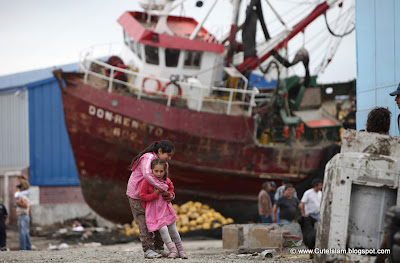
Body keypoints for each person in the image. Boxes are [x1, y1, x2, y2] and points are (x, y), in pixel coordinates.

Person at [126, 140, 175, 259]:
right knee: (143, 222)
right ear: (159, 151)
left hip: (155, 197)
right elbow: (147, 175)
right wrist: (163, 188)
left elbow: (166, 182)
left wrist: (170, 194)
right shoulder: (148, 158)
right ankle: (148, 249)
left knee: (158, 220)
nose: (169, 158)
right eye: (168, 155)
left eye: (171, 156)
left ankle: (159, 248)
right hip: (137, 195)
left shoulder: (164, 164)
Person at [140, 159, 188, 259]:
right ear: (151, 170)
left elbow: (171, 190)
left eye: (161, 171)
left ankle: (181, 251)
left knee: (174, 230)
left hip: (166, 209)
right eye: (156, 171)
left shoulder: (166, 181)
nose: (158, 174)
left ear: (165, 171)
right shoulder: (146, 182)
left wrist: (168, 195)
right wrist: (155, 194)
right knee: (163, 230)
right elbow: (143, 196)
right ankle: (172, 251)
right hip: (155, 212)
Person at [15, 184, 32, 250]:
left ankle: (23, 249)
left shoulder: (23, 196)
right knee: (25, 232)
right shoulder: (22, 196)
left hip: (23, 216)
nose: (16, 190)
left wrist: (18, 203)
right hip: (24, 216)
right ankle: (28, 248)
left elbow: (25, 205)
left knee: (22, 233)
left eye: (17, 189)